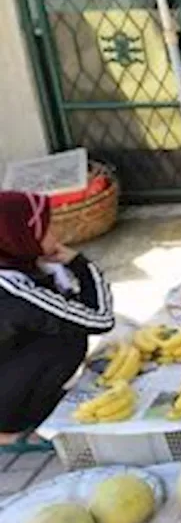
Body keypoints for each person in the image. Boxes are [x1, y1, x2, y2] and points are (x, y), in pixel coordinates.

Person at [0, 191, 114, 447]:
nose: (57, 234)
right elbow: (99, 319)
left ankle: (31, 405)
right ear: (19, 236)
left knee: (61, 327)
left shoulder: (18, 268)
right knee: (66, 339)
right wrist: (82, 265)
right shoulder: (12, 292)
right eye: (47, 228)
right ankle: (7, 430)